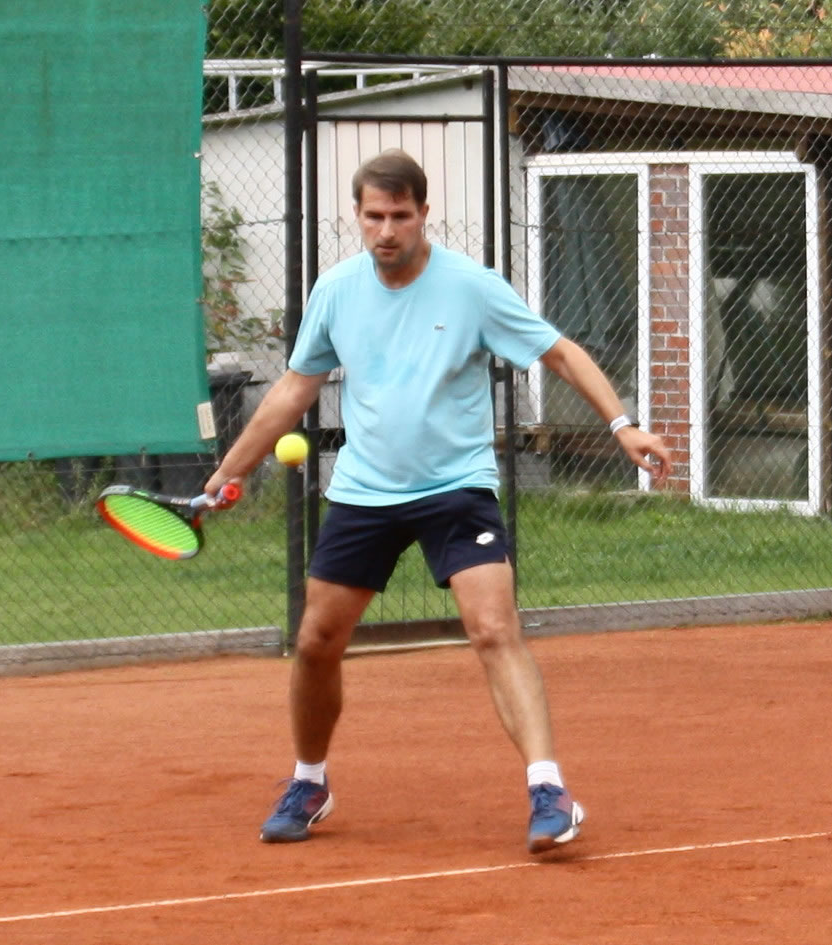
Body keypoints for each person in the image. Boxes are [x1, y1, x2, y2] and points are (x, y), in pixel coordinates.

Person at [204, 149, 672, 854]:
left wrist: (621, 424)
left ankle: (548, 791)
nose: (386, 230)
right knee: (316, 640)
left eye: (400, 215)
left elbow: (559, 352)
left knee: (493, 628)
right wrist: (229, 470)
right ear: (357, 215)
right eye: (374, 216)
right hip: (365, 492)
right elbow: (295, 388)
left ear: (424, 213)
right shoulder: (336, 291)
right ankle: (308, 781)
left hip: (456, 487)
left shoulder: (471, 288)